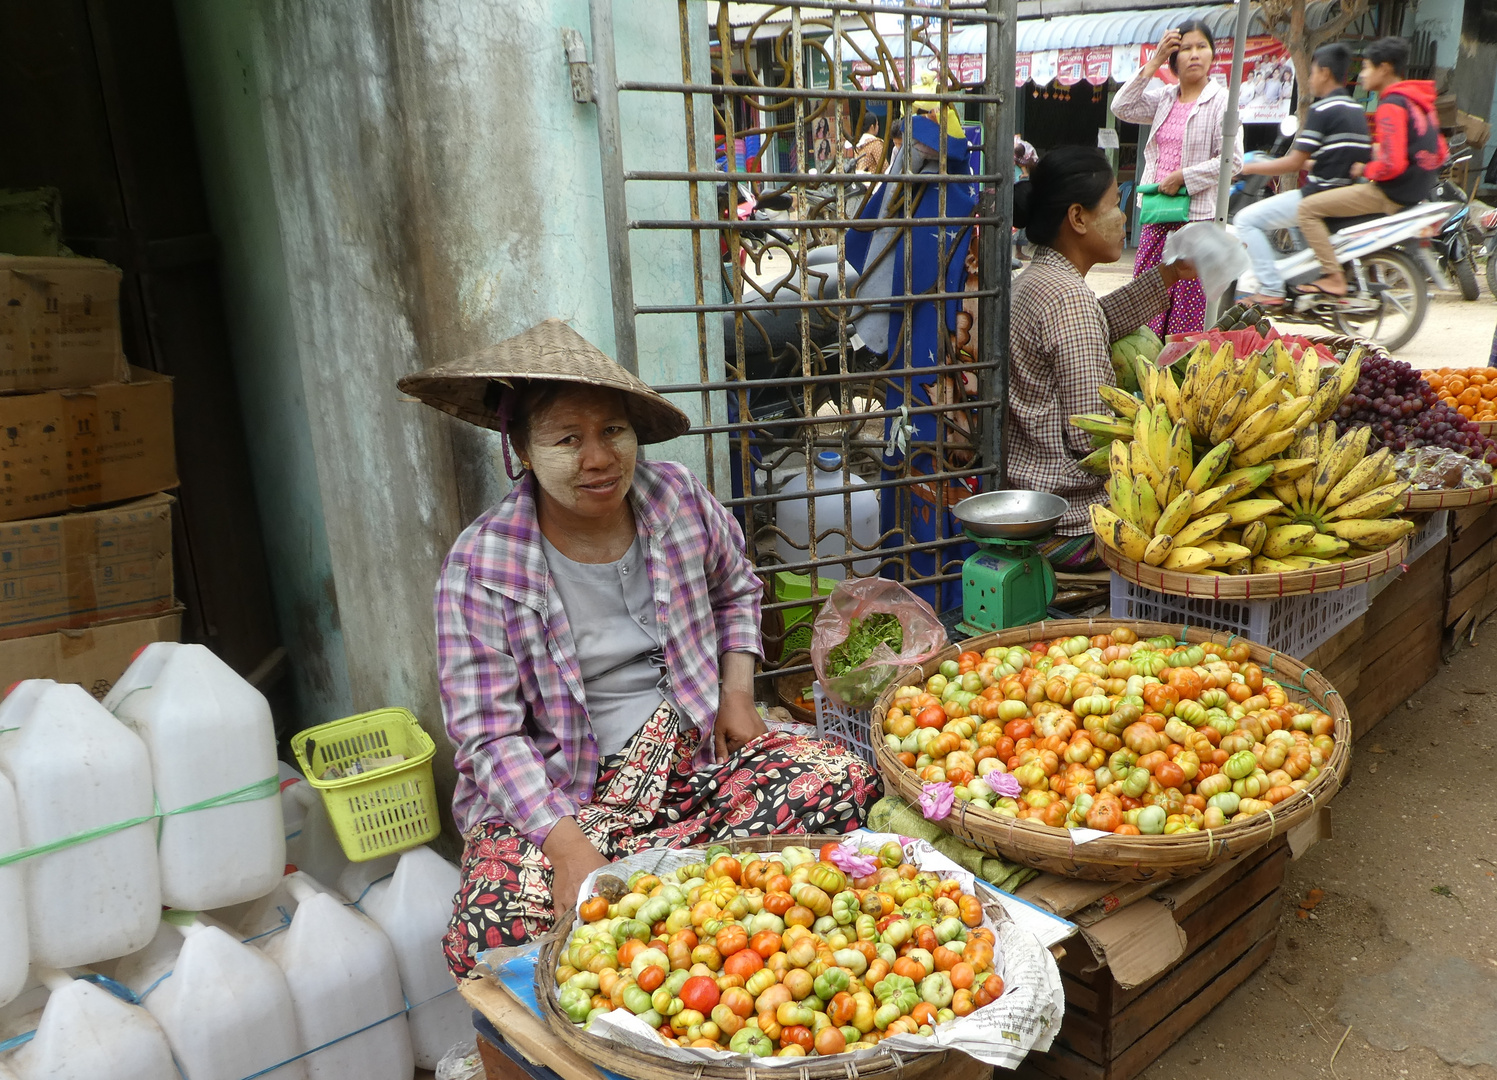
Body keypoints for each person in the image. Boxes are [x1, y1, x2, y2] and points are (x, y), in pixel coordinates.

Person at [399, 320, 880, 979]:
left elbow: (736, 586)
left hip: (688, 760)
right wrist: (567, 852)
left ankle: (672, 904)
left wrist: (736, 694)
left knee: (839, 778)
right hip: (560, 796)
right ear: (523, 453)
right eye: (567, 439)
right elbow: (490, 740)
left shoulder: (675, 499)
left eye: (612, 432)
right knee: (492, 925)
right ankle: (686, 887)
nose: (597, 458)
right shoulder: (482, 568)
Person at [1007, 148, 1197, 569]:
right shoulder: (1069, 300)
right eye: (1114, 205)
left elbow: (1096, 321)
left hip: (1028, 497)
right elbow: (1092, 437)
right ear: (1078, 218)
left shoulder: (1037, 280)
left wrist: (1166, 275)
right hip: (1070, 522)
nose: (1124, 218)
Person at [1112, 20, 1243, 335]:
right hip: (1158, 215)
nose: (1194, 55)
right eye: (1185, 49)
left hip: (1198, 219)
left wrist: (1185, 176)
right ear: (1174, 58)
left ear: (1213, 55)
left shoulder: (1222, 101)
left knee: (1187, 303)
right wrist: (1154, 61)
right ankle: (1141, 368)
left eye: (1202, 47)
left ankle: (1177, 371)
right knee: (1147, 293)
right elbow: (1121, 106)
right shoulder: (1164, 99)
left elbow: (1233, 160)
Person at [1297, 36, 1448, 296]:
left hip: (1390, 193)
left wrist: (1366, 170)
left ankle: (1332, 276)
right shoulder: (1420, 102)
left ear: (1385, 69)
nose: (1362, 75)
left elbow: (1392, 163)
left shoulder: (1390, 104)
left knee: (1307, 209)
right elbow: (1441, 152)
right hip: (1417, 192)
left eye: (1366, 67)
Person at [1233, 43, 1370, 305]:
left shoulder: (1323, 110)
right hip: (1344, 195)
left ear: (1325, 73)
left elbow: (1294, 162)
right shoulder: (1355, 111)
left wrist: (1248, 167)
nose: (1309, 79)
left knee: (1244, 220)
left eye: (1312, 72)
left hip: (1317, 196)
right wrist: (1308, 163)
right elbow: (1340, 159)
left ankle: (1271, 289)